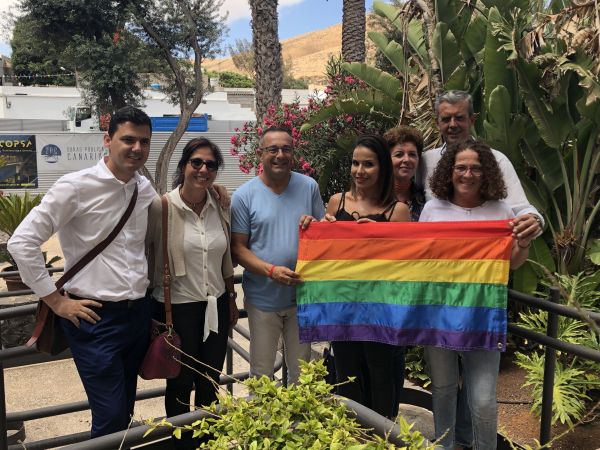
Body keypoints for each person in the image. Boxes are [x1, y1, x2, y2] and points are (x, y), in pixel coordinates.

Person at [8, 106, 157, 438]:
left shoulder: (142, 188)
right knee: (111, 416)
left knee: (124, 410)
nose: (137, 148)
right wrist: (57, 302)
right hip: (94, 319)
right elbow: (22, 243)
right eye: (128, 139)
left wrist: (214, 194)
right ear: (107, 140)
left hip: (137, 317)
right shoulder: (74, 186)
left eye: (144, 142)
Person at [420, 139, 531, 450]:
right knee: (442, 389)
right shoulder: (432, 209)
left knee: (482, 399)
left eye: (475, 168)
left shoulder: (501, 210)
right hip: (438, 315)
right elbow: (417, 260)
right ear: (449, 171)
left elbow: (510, 263)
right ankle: (446, 445)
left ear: (486, 173)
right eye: (460, 167)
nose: (467, 174)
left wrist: (523, 244)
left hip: (483, 316)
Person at [146, 137, 239, 449]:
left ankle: (207, 442)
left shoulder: (221, 206)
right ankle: (181, 444)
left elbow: (228, 255)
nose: (203, 169)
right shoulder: (162, 208)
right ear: (184, 165)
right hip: (178, 308)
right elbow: (147, 255)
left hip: (215, 304)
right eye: (196, 162)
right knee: (180, 382)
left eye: (210, 165)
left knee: (210, 380)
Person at [310, 134, 410, 418]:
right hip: (343, 309)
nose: (359, 171)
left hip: (381, 311)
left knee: (381, 376)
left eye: (368, 164)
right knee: (346, 375)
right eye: (355, 163)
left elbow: (405, 267)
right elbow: (325, 258)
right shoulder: (336, 202)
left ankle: (382, 438)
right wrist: (315, 229)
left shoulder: (397, 211)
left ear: (382, 169)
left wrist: (379, 239)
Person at [231, 126, 325, 384]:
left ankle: (298, 425)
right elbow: (238, 248)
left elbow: (324, 233)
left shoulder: (309, 187)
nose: (280, 155)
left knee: (302, 375)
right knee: (261, 374)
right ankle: (263, 424)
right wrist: (272, 271)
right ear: (261, 154)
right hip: (262, 299)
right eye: (272, 149)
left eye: (286, 149)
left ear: (293, 153)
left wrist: (316, 225)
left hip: (302, 298)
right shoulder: (244, 196)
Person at [423, 90, 543, 242]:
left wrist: (534, 219)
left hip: (485, 256)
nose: (452, 124)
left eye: (459, 118)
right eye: (446, 119)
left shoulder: (496, 159)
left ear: (472, 120)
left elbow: (520, 208)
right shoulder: (425, 160)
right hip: (442, 258)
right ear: (437, 123)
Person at [384, 125, 426, 221]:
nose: (407, 160)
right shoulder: (374, 196)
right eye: (399, 154)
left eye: (412, 154)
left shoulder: (425, 199)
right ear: (386, 159)